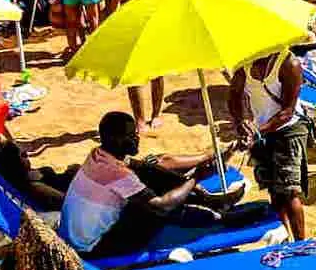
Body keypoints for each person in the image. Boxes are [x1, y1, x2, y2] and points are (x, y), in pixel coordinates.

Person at [59, 111, 242, 259]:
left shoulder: (98, 155)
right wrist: (195, 178)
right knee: (162, 208)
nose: (137, 138)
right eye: (131, 136)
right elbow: (163, 205)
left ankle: (209, 201)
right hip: (93, 249)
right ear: (115, 140)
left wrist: (189, 182)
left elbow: (142, 167)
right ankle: (217, 217)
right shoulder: (117, 174)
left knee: (152, 170)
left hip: (75, 239)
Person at [228, 50, 309, 241]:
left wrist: (256, 132)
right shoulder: (243, 66)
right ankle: (284, 238)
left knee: (289, 192)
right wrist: (241, 122)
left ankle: (300, 243)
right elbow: (233, 98)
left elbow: (287, 112)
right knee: (274, 191)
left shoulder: (289, 64)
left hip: (289, 130)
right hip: (262, 132)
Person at [108, 0, 174, 129]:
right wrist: (110, 22)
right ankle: (139, 119)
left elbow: (172, 0)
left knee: (156, 72)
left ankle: (156, 114)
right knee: (132, 73)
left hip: (156, 25)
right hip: (132, 24)